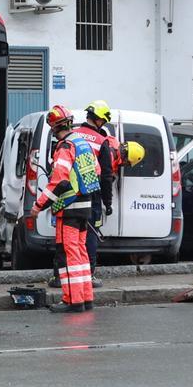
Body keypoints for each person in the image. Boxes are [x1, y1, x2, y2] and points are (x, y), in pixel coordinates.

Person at [30, 105, 100, 313]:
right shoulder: (82, 143)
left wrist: (38, 205)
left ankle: (72, 300)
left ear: (53, 128)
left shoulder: (65, 147)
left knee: (68, 255)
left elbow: (59, 180)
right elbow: (96, 170)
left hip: (68, 208)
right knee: (81, 253)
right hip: (85, 206)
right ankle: (86, 298)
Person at [73, 101, 118, 286]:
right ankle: (88, 275)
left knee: (67, 236)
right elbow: (107, 175)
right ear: (99, 119)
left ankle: (60, 275)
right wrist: (108, 203)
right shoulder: (102, 141)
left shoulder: (72, 135)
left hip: (70, 194)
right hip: (92, 195)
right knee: (91, 233)